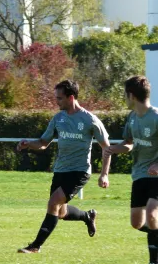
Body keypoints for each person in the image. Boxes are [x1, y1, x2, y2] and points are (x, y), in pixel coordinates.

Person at [104, 75, 158, 264]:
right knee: (137, 223)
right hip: (140, 174)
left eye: (125, 95)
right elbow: (129, 143)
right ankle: (157, 230)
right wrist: (114, 149)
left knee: (151, 214)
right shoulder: (133, 117)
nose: (124, 98)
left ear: (131, 95)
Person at [17, 80, 111, 254]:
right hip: (60, 170)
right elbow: (44, 143)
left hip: (79, 171)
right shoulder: (58, 118)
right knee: (61, 212)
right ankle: (87, 216)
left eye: (59, 98)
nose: (56, 101)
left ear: (71, 97)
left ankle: (35, 246)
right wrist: (28, 144)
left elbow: (107, 147)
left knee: (53, 203)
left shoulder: (89, 120)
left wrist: (104, 174)